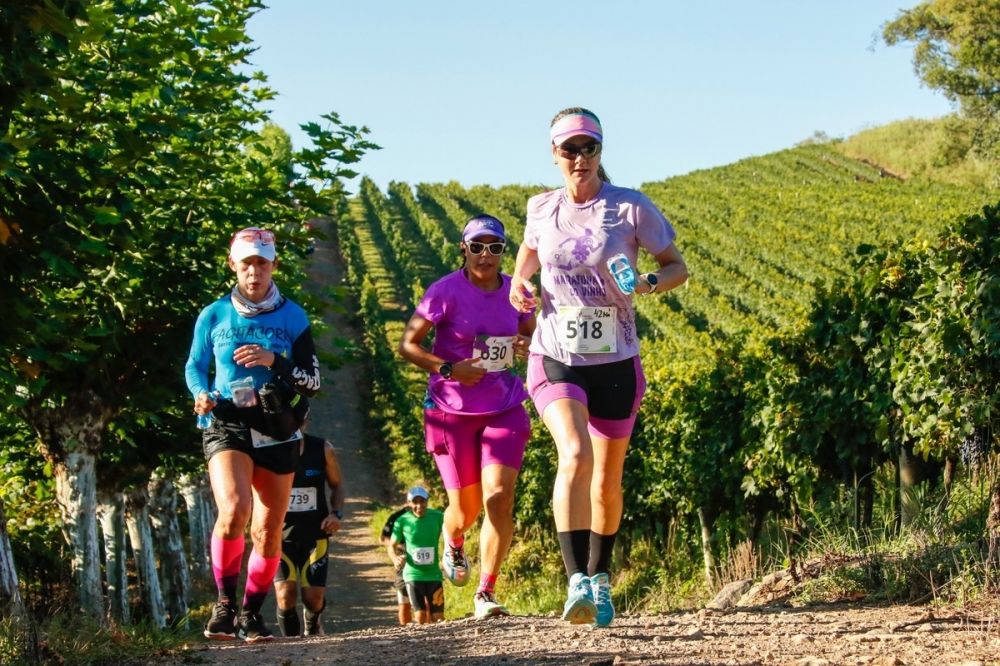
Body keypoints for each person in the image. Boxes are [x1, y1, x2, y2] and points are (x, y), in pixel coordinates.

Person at [509, 107, 688, 628]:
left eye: (589, 147)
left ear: (601, 151)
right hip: (556, 354)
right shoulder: (540, 208)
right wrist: (521, 286)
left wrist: (650, 284)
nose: (580, 157)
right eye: (570, 149)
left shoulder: (630, 208)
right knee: (574, 452)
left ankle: (601, 578)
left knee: (607, 481)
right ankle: (575, 584)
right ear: (554, 155)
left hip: (616, 359)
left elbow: (677, 266)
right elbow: (526, 260)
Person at [186, 227, 321, 642]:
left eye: (262, 262)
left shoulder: (293, 316)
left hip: (276, 426)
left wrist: (274, 361)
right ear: (233, 265)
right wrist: (201, 395)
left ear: (274, 265)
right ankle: (224, 606)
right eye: (247, 262)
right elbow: (195, 366)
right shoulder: (213, 314)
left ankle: (251, 613)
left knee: (267, 529)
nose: (254, 271)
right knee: (234, 509)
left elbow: (313, 381)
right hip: (227, 421)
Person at [398, 214, 535, 618]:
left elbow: (534, 332)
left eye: (495, 247)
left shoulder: (516, 291)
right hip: (451, 412)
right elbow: (409, 344)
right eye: (478, 246)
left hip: (505, 406)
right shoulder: (444, 292)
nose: (486, 254)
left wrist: (527, 343)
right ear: (464, 248)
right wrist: (449, 369)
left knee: (500, 498)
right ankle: (453, 538)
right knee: (466, 511)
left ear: (503, 252)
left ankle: (486, 591)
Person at [272, 419, 344, 637]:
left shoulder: (323, 449)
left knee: (313, 599)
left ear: (306, 420)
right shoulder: (269, 450)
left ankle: (313, 627)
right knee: (286, 595)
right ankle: (292, 644)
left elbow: (337, 485)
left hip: (315, 535)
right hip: (279, 537)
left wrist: (336, 513)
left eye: (299, 418)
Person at [387, 486, 445, 624]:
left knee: (439, 618)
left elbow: (453, 535)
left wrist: (451, 557)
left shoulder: (438, 517)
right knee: (420, 616)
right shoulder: (402, 521)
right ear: (409, 503)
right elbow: (392, 546)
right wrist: (395, 559)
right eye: (415, 502)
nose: (419, 506)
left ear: (427, 501)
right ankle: (422, 645)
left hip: (434, 574)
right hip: (413, 575)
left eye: (422, 501)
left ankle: (441, 644)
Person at [379, 501, 413, 625]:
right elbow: (383, 538)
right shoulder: (396, 517)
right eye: (413, 500)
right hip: (402, 561)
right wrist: (397, 545)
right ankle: (405, 631)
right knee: (404, 600)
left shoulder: (429, 516)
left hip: (423, 563)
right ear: (408, 501)